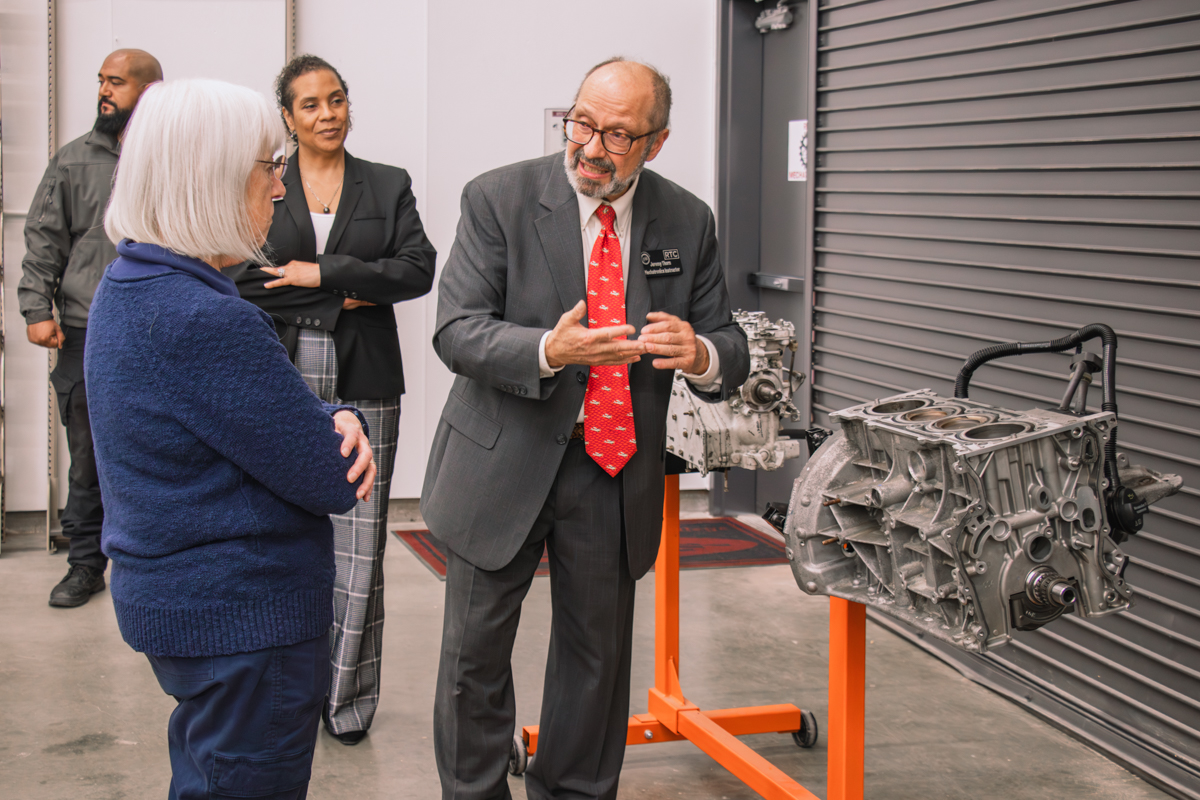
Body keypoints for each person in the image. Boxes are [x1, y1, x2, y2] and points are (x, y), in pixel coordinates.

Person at [421, 58, 751, 800]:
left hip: (611, 464)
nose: (592, 148)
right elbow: (458, 332)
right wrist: (547, 349)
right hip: (501, 458)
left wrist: (697, 352)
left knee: (594, 660)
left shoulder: (686, 219)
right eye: (581, 124)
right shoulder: (498, 199)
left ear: (656, 143)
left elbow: (729, 343)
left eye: (619, 135)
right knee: (473, 657)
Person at [85, 78, 377, 800]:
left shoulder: (130, 285)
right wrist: (346, 422)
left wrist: (323, 423)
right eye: (269, 166)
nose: (280, 188)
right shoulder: (205, 319)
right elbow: (329, 476)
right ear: (210, 178)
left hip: (187, 608)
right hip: (243, 622)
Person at [226, 54, 437, 745]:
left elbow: (415, 270)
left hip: (366, 374)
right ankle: (280, 693)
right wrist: (347, 294)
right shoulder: (261, 180)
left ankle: (346, 706)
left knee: (360, 548)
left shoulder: (387, 183)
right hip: (276, 370)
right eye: (310, 104)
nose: (328, 114)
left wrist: (319, 273)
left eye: (337, 99)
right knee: (269, 534)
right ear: (286, 117)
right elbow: (241, 280)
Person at [19, 48, 162, 608]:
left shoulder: (169, 157)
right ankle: (84, 565)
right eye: (101, 80)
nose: (104, 90)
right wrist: (37, 309)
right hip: (84, 329)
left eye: (117, 82)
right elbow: (43, 238)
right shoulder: (73, 160)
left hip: (156, 329)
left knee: (159, 448)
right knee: (89, 452)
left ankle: (152, 560)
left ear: (149, 92)